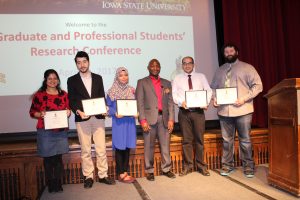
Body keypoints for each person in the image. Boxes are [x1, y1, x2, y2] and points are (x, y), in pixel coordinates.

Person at [210, 43, 263, 178]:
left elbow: (258, 86)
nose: (229, 53)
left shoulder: (247, 68)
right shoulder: (220, 70)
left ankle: (248, 167)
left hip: (243, 111)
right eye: (226, 51)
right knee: (227, 141)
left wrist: (244, 98)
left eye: (231, 51)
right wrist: (215, 98)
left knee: (245, 140)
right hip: (224, 112)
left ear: (237, 52)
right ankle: (227, 166)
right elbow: (213, 88)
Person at [67, 51, 115, 189]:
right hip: (82, 118)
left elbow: (101, 96)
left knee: (101, 148)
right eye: (79, 62)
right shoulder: (72, 80)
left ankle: (102, 175)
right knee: (85, 150)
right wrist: (78, 111)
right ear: (76, 64)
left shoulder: (98, 78)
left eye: (84, 61)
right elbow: (72, 100)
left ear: (89, 62)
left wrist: (104, 107)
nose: (82, 65)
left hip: (98, 118)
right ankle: (88, 176)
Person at [29, 69, 71, 193]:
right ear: (45, 81)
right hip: (45, 132)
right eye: (50, 78)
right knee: (48, 159)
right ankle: (51, 184)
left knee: (58, 158)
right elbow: (32, 112)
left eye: (55, 78)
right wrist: (40, 114)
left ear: (58, 80)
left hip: (61, 131)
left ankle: (58, 182)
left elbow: (68, 108)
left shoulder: (63, 94)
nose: (53, 81)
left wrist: (68, 112)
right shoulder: (39, 95)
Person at [136, 59, 176, 181]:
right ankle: (149, 170)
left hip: (164, 119)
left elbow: (170, 103)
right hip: (148, 120)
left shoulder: (167, 83)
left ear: (160, 68)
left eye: (157, 66)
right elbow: (140, 103)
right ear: (148, 68)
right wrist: (142, 120)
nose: (155, 68)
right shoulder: (142, 82)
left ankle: (166, 169)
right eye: (152, 66)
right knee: (149, 146)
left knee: (165, 146)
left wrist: (171, 119)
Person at [172, 56, 212, 177]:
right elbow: (174, 94)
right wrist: (180, 102)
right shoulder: (177, 78)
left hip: (198, 112)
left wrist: (206, 101)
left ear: (194, 64)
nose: (187, 65)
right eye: (185, 63)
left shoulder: (201, 76)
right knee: (187, 140)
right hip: (184, 113)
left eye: (189, 63)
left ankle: (201, 166)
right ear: (182, 65)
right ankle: (188, 166)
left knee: (199, 140)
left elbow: (209, 91)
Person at [106, 67, 137, 183]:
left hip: (130, 122)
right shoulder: (111, 91)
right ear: (117, 77)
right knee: (120, 148)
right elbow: (107, 108)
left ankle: (125, 172)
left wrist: (136, 112)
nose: (124, 77)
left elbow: (136, 105)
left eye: (126, 75)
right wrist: (115, 113)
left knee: (127, 147)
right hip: (119, 122)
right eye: (121, 75)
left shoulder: (132, 90)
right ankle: (121, 173)